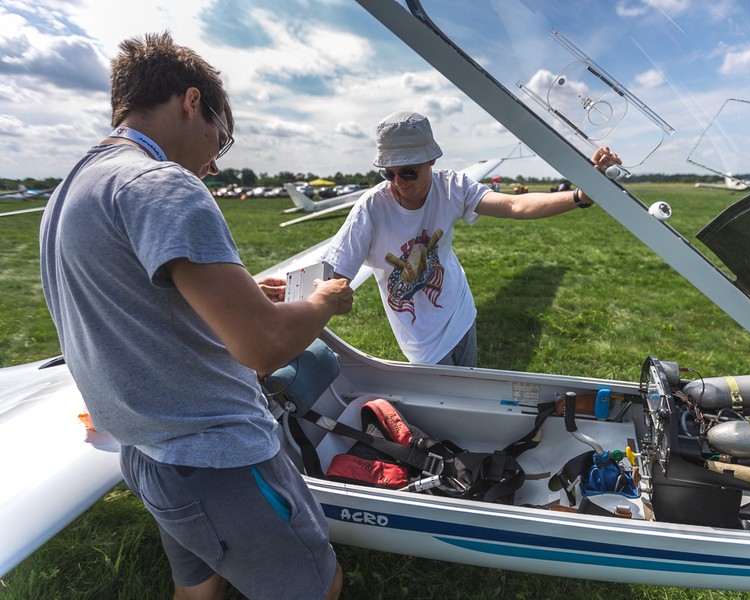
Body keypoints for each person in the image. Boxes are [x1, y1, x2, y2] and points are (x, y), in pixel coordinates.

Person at [39, 32, 350, 600]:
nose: (211, 162)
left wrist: (238, 292)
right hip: (215, 455)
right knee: (319, 585)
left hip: (147, 453)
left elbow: (123, 297)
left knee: (201, 588)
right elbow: (262, 345)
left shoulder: (71, 190)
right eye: (220, 137)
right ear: (190, 103)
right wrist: (323, 301)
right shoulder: (161, 184)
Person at [320, 110, 620, 367]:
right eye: (389, 173)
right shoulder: (371, 208)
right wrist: (318, 298)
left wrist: (581, 196)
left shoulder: (452, 186)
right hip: (419, 341)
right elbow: (334, 276)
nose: (398, 183)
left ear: (431, 161)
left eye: (409, 172)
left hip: (460, 313)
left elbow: (515, 205)